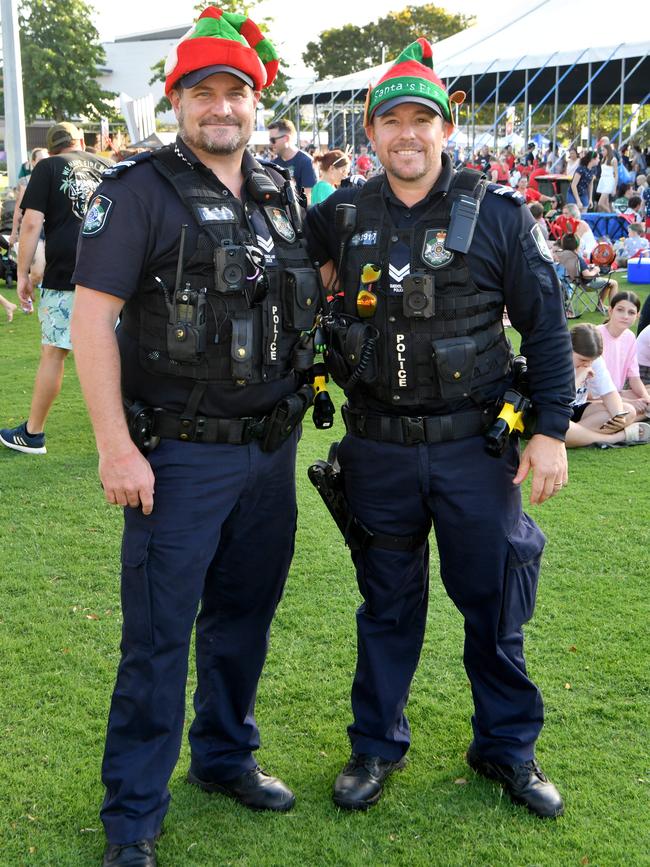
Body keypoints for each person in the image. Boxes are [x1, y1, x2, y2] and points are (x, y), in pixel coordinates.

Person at [71, 8, 322, 866]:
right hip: (176, 456)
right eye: (202, 93)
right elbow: (92, 324)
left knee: (244, 617)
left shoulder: (282, 188)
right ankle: (133, 815)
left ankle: (223, 756)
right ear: (175, 102)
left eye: (236, 93)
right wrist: (113, 445)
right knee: (158, 635)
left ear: (256, 104)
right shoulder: (135, 191)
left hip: (270, 451)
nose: (222, 107)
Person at [305, 38, 573, 820]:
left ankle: (507, 747)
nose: (408, 133)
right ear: (371, 131)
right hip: (377, 448)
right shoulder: (341, 214)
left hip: (473, 451)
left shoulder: (497, 213)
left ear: (446, 129)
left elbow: (548, 327)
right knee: (386, 604)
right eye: (392, 120)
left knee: (493, 606)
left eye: (423, 118)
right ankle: (375, 745)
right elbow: (292, 276)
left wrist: (551, 430)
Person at [0, 123, 110, 455]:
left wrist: (22, 274)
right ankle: (135, 431)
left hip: (66, 270)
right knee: (118, 351)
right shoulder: (105, 166)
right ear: (79, 142)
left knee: (54, 351)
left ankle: (33, 434)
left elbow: (32, 222)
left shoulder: (47, 167)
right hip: (111, 271)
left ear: (50, 148)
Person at [565, 324, 648, 447]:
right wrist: (579, 377)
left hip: (579, 409)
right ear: (568, 349)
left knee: (628, 411)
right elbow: (561, 399)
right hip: (554, 411)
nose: (587, 364)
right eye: (582, 360)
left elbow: (609, 392)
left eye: (591, 361)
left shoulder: (594, 360)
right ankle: (616, 438)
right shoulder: (556, 360)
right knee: (558, 428)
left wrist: (618, 416)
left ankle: (574, 436)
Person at [596, 291, 650, 418]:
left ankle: (635, 416)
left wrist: (647, 399)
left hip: (618, 392)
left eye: (631, 312)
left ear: (637, 316)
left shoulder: (630, 337)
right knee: (629, 409)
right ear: (610, 311)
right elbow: (595, 388)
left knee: (644, 397)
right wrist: (628, 402)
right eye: (620, 310)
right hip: (597, 397)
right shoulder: (596, 334)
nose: (625, 316)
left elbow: (634, 377)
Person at [9, 147, 49, 295]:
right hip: (35, 228)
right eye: (40, 160)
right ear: (33, 162)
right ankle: (27, 291)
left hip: (53, 228)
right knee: (37, 273)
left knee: (47, 272)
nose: (44, 163)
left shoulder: (53, 175)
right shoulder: (26, 180)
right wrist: (14, 232)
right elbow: (19, 209)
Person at [267, 117, 317, 204]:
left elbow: (308, 198)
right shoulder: (273, 164)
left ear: (286, 138)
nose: (270, 144)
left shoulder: (306, 162)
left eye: (273, 140)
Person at [596, 144, 618, 213]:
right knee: (606, 203)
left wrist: (614, 188)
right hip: (603, 180)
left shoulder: (613, 160)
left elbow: (616, 175)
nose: (602, 152)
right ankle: (609, 217)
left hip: (609, 181)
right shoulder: (603, 159)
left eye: (603, 150)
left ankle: (610, 215)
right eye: (601, 150)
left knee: (600, 203)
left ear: (608, 150)